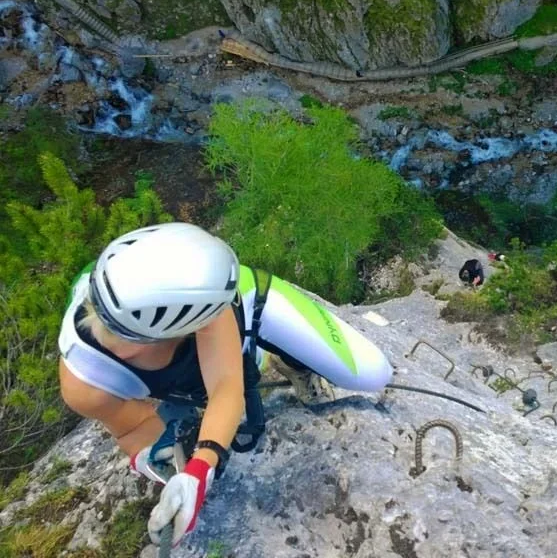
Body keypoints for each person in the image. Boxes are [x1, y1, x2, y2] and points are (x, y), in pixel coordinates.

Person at [58, 222, 392, 547]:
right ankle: (253, 352)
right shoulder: (88, 384)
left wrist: (203, 464)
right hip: (201, 312)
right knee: (242, 361)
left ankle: (283, 355)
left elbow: (226, 389)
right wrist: (173, 470)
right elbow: (133, 430)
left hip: (245, 299)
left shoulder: (194, 298)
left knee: (371, 372)